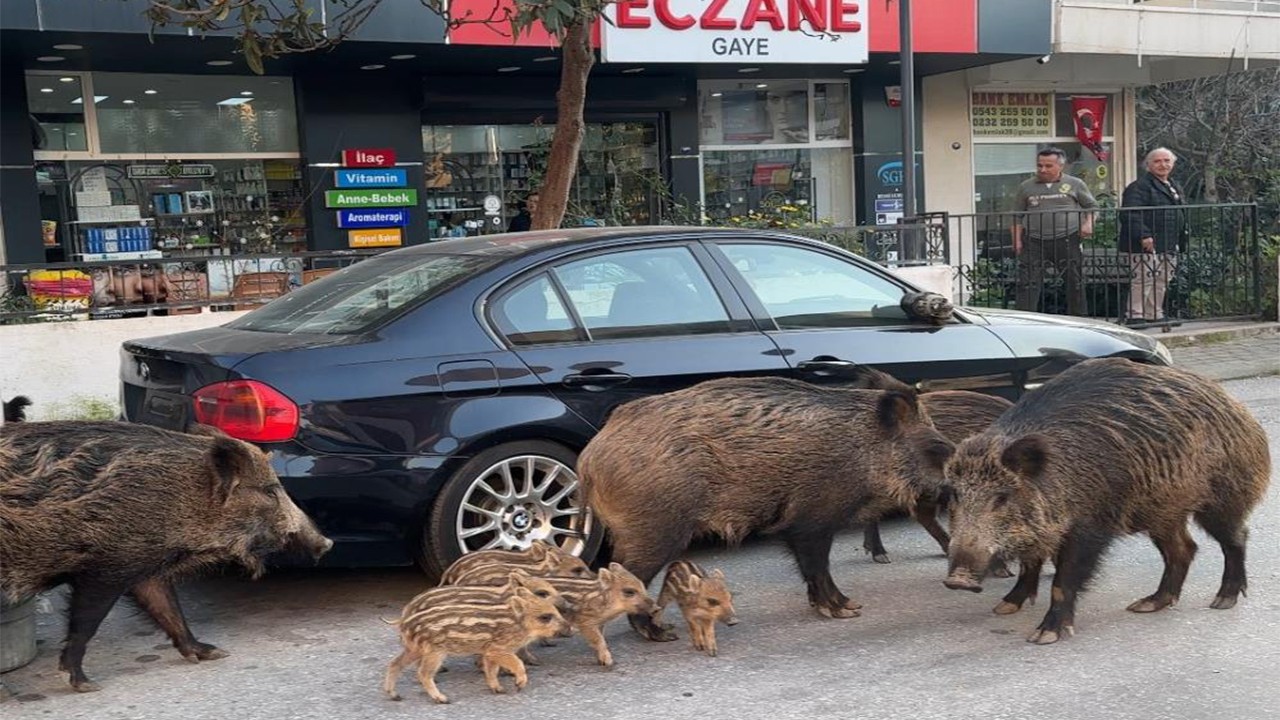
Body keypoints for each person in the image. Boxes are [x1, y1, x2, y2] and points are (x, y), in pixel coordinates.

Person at [1011, 147, 1097, 316]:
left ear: (1061, 166)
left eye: (1048, 166)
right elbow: (1016, 215)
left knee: (1075, 282)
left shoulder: (1075, 184)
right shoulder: (1026, 186)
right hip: (1034, 240)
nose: (1043, 170)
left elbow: (1092, 206)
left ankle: (1079, 319)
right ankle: (1024, 320)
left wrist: (1089, 223)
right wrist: (1017, 239)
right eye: (1039, 165)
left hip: (1067, 238)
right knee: (1028, 283)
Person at [1120, 147, 1188, 326]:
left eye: (1166, 161)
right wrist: (1144, 235)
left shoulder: (1173, 185)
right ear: (1148, 165)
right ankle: (1135, 314)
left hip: (1169, 240)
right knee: (1143, 279)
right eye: (1157, 161)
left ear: (1173, 164)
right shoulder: (1139, 186)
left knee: (1162, 279)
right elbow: (1130, 213)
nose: (1163, 165)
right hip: (1145, 242)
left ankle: (1154, 313)